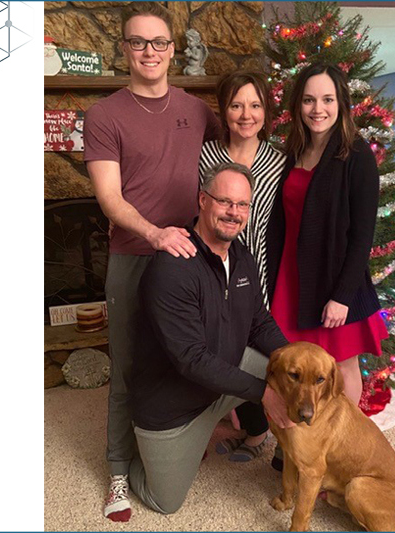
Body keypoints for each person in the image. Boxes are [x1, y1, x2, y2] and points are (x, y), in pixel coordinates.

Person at [83, 2, 219, 523]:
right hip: (135, 256)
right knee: (129, 367)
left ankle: (173, 443)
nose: (149, 52)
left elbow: (229, 156)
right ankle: (118, 469)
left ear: (172, 49)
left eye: (159, 42)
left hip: (190, 259)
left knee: (187, 356)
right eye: (138, 42)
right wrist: (154, 232)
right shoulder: (104, 115)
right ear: (124, 48)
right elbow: (110, 201)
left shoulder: (195, 108)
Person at [128, 162, 293, 515]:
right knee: (166, 502)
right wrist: (264, 393)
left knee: (284, 368)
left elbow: (259, 321)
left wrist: (292, 358)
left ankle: (270, 441)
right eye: (225, 201)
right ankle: (135, 450)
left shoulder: (242, 257)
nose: (234, 213)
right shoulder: (171, 268)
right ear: (203, 200)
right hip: (173, 407)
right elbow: (192, 359)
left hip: (218, 382)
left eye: (243, 205)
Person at [266, 63, 389, 409]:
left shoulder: (357, 155)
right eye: (308, 100)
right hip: (291, 276)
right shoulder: (293, 152)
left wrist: (343, 296)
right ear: (298, 106)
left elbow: (363, 236)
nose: (317, 109)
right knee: (290, 362)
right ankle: (296, 442)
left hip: (332, 280)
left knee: (340, 363)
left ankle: (343, 441)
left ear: (341, 103)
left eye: (327, 99)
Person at [198, 71, 286, 462]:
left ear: (266, 112)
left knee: (259, 351)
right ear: (224, 111)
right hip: (212, 267)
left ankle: (270, 435)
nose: (245, 114)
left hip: (260, 270)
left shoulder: (279, 160)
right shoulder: (206, 156)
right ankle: (251, 427)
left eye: (254, 105)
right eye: (236, 105)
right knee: (222, 348)